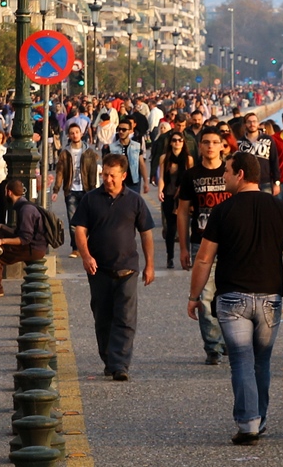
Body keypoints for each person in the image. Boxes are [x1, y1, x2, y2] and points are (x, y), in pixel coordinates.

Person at [187, 152, 283, 445]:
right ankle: (259, 420)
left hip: (232, 298)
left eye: (227, 171)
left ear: (240, 174)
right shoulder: (280, 208)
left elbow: (204, 259)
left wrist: (194, 296)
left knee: (240, 360)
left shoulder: (222, 211)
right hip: (270, 298)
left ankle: (248, 423)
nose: (223, 176)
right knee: (261, 362)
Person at [71, 154, 155, 381]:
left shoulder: (135, 201)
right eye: (105, 175)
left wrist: (150, 265)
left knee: (125, 318)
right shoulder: (90, 199)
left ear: (123, 176)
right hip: (99, 270)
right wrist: (86, 256)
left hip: (127, 268)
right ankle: (109, 359)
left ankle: (120, 364)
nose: (108, 179)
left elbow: (146, 233)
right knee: (103, 318)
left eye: (112, 175)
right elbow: (80, 230)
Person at [177, 127, 231, 364]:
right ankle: (213, 347)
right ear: (199, 146)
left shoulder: (230, 172)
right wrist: (183, 247)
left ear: (222, 146)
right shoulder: (191, 175)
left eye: (215, 142)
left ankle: (230, 341)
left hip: (231, 244)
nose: (210, 146)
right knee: (206, 297)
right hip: (201, 243)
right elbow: (182, 212)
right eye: (206, 142)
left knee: (230, 295)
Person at [0, 180, 48, 298]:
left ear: (9, 192)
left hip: (34, 248)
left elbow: (24, 239)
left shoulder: (25, 210)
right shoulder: (24, 205)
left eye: (5, 191)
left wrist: (2, 241)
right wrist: (3, 227)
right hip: (34, 245)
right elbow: (20, 232)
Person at [52, 123, 100, 258]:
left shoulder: (89, 152)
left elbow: (93, 172)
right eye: (72, 133)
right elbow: (60, 172)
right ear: (68, 135)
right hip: (71, 191)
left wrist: (94, 191)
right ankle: (76, 248)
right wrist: (56, 190)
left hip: (87, 190)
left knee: (88, 221)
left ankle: (87, 246)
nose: (75, 135)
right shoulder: (65, 153)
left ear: (81, 134)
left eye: (77, 132)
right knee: (73, 222)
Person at [157, 130, 193, 270]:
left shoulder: (188, 159)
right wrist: (160, 191)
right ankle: (170, 257)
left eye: (180, 140)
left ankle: (187, 256)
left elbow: (190, 179)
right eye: (174, 140)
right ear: (170, 143)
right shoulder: (164, 158)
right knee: (171, 228)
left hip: (184, 196)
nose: (177, 142)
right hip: (169, 195)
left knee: (185, 227)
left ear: (183, 142)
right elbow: (161, 177)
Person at [236, 112, 281, 195]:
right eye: (249, 122)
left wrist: (276, 182)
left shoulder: (268, 140)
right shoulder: (240, 143)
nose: (252, 124)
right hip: (247, 183)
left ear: (258, 123)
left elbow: (274, 161)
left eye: (254, 121)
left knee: (266, 203)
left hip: (265, 182)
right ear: (245, 124)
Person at [104, 118, 148, 192]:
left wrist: (146, 182)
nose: (121, 132)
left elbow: (141, 164)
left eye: (124, 130)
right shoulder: (111, 147)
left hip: (133, 182)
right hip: (117, 182)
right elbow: (106, 165)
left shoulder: (136, 146)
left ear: (130, 131)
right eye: (119, 129)